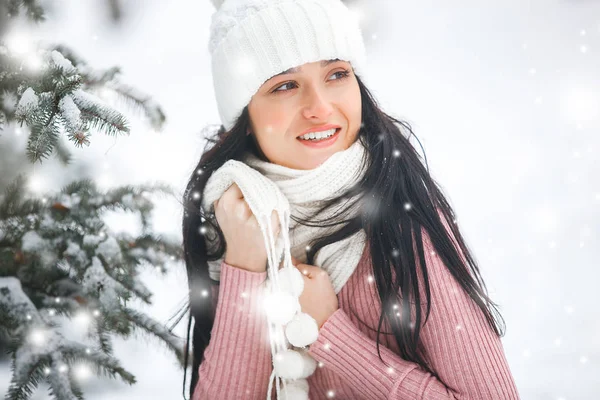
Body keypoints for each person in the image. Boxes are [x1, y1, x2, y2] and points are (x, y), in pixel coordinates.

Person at [180, 0, 521, 399]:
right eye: (285, 85)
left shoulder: (403, 224)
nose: (320, 108)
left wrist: (329, 331)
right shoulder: (231, 216)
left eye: (337, 74)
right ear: (244, 115)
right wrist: (246, 267)